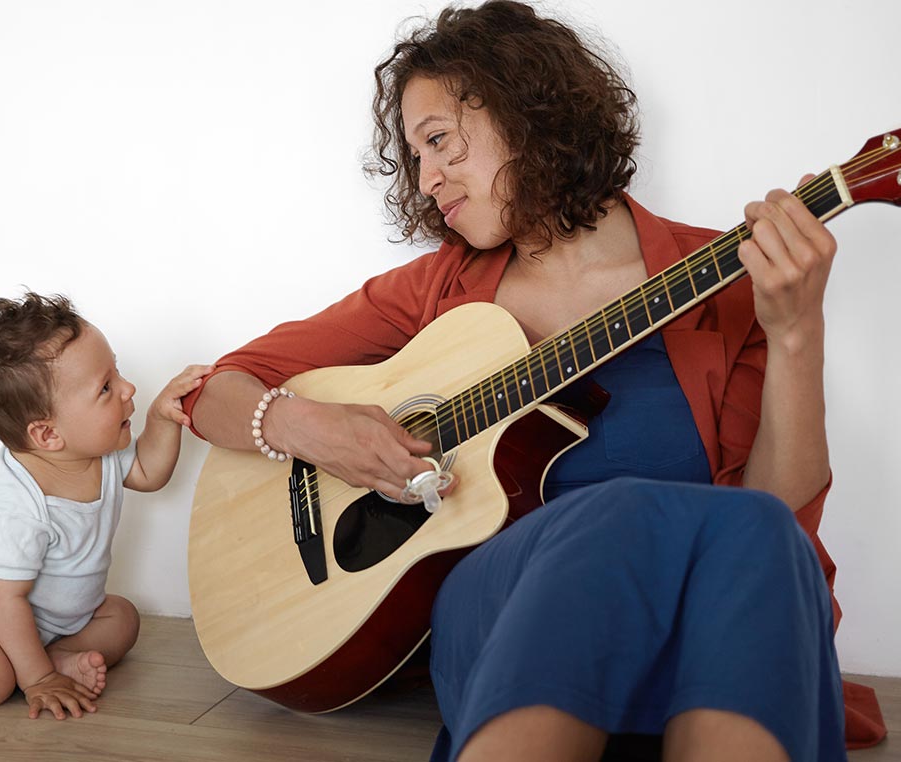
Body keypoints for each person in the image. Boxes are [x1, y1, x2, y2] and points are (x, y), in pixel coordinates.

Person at [182, 2, 884, 760]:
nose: (426, 179)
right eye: (414, 156)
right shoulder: (435, 294)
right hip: (507, 625)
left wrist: (795, 333)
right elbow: (214, 391)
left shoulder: (722, 278)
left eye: (439, 141)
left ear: (526, 110)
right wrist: (323, 431)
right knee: (615, 512)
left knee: (755, 530)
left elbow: (776, 525)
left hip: (701, 639)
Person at [0, 292, 212, 721]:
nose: (128, 388)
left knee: (122, 617)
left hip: (53, 619)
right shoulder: (20, 508)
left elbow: (147, 472)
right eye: (106, 387)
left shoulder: (97, 452)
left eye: (117, 371)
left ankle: (56, 657)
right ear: (48, 436)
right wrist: (37, 681)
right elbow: (4, 597)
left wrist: (161, 418)